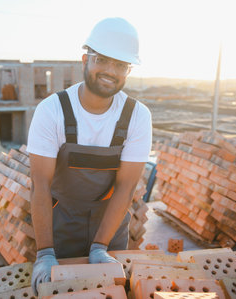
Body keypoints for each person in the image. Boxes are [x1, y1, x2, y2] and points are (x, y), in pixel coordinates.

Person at [26, 17, 152, 294]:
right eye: (102, 60)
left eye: (120, 64)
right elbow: (40, 184)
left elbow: (126, 186)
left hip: (110, 223)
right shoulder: (52, 110)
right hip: (61, 221)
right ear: (85, 59)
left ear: (128, 71)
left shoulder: (137, 116)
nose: (110, 70)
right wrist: (45, 253)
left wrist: (100, 246)